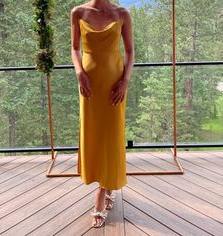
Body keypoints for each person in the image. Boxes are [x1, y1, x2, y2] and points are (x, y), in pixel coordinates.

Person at [70, 0, 134, 228]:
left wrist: (125, 81)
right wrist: (79, 73)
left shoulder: (122, 13)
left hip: (115, 81)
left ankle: (103, 190)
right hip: (89, 82)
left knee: (112, 133)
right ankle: (103, 184)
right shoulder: (78, 12)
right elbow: (75, 48)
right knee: (93, 132)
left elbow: (129, 50)